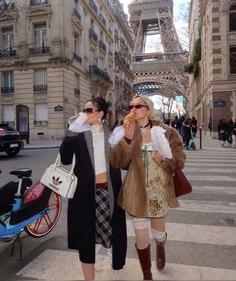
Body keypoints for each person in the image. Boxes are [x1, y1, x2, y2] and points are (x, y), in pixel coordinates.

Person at [109, 95, 186, 280]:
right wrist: (126, 140)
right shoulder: (127, 131)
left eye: (138, 105)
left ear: (148, 109)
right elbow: (116, 161)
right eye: (131, 106)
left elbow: (180, 160)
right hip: (136, 190)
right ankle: (147, 274)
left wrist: (164, 160)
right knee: (141, 234)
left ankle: (160, 246)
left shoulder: (167, 132)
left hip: (159, 190)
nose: (133, 108)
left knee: (158, 233)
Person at [60, 97, 127, 280]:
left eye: (89, 110)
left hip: (108, 193)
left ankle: (112, 251)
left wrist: (127, 141)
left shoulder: (113, 135)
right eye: (84, 110)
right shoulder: (78, 135)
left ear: (100, 114)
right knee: (86, 238)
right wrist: (71, 132)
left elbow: (125, 163)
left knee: (111, 231)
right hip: (84, 195)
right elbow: (65, 159)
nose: (84, 114)